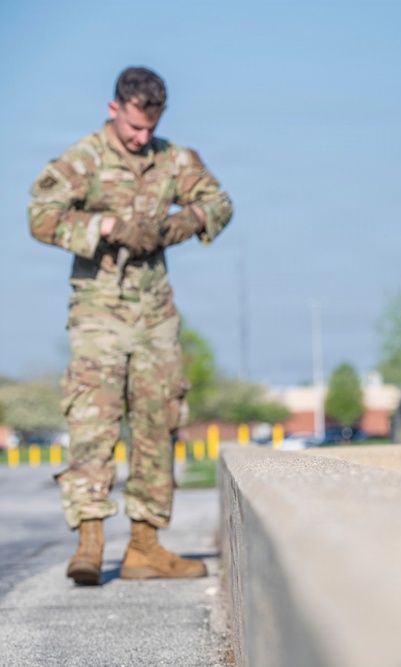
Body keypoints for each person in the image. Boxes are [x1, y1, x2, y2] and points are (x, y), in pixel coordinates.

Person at [28, 66, 233, 585]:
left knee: (157, 423)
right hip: (99, 310)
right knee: (93, 424)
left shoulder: (172, 157)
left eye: (150, 128)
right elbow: (41, 215)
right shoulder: (84, 158)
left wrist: (180, 223)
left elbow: (218, 202)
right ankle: (90, 543)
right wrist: (108, 226)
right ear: (114, 107)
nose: (142, 139)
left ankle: (145, 546)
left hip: (155, 314)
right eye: (134, 127)